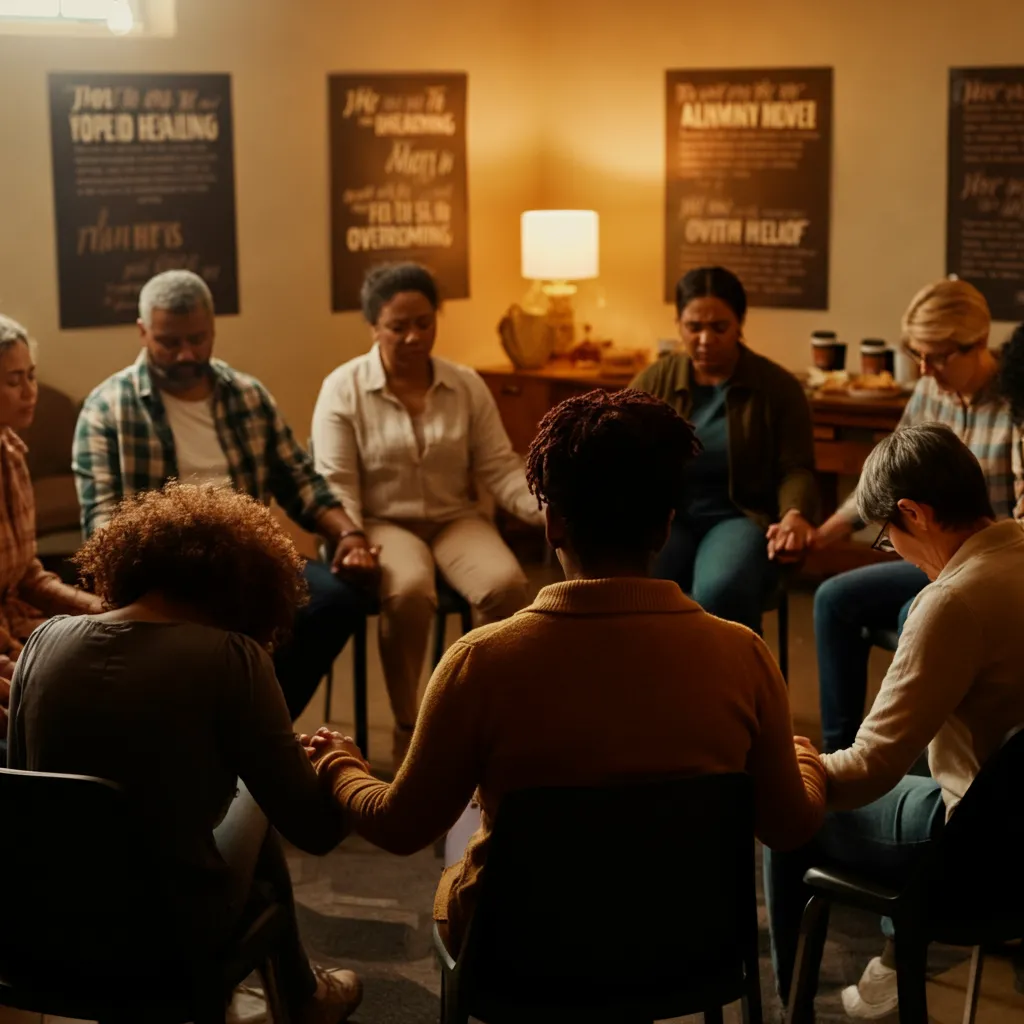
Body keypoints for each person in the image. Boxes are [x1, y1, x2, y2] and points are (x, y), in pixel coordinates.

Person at [303, 388, 827, 955]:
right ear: (664, 528)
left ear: (552, 523)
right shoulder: (743, 655)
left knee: (469, 818)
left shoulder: (480, 661)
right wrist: (806, 761)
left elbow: (401, 827)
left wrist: (339, 767)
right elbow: (790, 826)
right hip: (683, 944)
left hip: (521, 950)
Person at [6, 484, 362, 1023]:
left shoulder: (43, 640)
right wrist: (341, 764)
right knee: (260, 789)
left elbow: (34, 792)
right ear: (248, 588)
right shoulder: (231, 658)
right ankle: (303, 994)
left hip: (34, 925)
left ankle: (301, 989)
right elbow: (314, 831)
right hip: (162, 937)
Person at [766, 424, 1024, 1019]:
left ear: (915, 512)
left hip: (977, 850)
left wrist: (795, 763)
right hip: (1019, 818)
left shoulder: (952, 601)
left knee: (785, 809)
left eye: (887, 536)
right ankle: (889, 954)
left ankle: (790, 1011)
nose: (893, 550)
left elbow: (869, 770)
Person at [72, 270, 375, 720]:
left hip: (248, 558)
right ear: (142, 332)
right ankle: (233, 731)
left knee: (337, 599)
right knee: (208, 626)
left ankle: (258, 722)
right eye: (169, 342)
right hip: (166, 572)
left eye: (198, 339)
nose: (186, 354)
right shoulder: (107, 408)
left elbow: (300, 480)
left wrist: (349, 535)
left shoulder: (247, 395)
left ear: (213, 328)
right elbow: (101, 521)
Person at [311, 262, 543, 770]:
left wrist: (545, 506)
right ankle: (409, 729)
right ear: (374, 327)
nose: (414, 336)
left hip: (454, 517)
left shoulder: (465, 385)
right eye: (398, 327)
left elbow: (499, 467)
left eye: (424, 322)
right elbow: (337, 483)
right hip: (380, 522)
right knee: (410, 591)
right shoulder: (343, 388)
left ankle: (478, 721)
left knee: (505, 585)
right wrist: (348, 538)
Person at [811, 279, 1020, 754]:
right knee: (831, 599)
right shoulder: (930, 391)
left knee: (919, 615)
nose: (925, 369)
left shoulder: (1014, 406)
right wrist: (822, 534)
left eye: (939, 355)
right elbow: (887, 480)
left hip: (989, 569)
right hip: (932, 557)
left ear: (979, 343)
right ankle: (838, 753)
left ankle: (914, 763)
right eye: (917, 354)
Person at [631, 266, 818, 635]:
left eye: (719, 327)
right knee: (631, 583)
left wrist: (795, 514)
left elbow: (797, 467)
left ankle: (727, 686)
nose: (704, 339)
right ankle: (648, 684)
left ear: (740, 324)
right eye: (693, 327)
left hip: (739, 515)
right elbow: (620, 450)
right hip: (670, 514)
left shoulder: (776, 388)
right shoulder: (656, 380)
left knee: (721, 589)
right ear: (679, 323)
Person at [0, 315, 100, 765]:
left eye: (32, 376)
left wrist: (99, 609)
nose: (30, 392)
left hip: (16, 625)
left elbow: (26, 573)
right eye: (13, 381)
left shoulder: (12, 452)